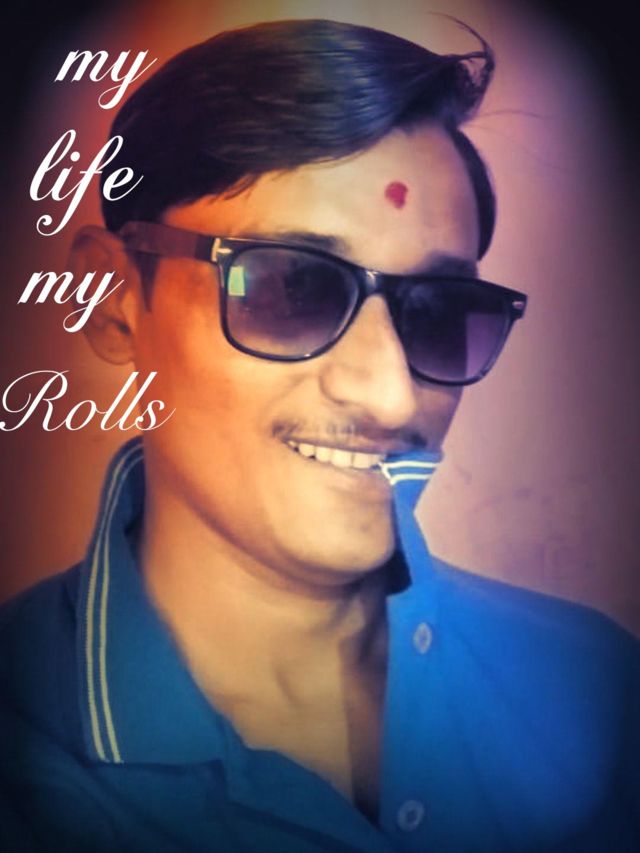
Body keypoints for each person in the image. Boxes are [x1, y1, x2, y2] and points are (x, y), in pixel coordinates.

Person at [1, 18, 637, 853]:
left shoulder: (597, 687)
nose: (391, 395)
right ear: (116, 298)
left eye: (438, 311)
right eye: (290, 288)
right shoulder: (24, 741)